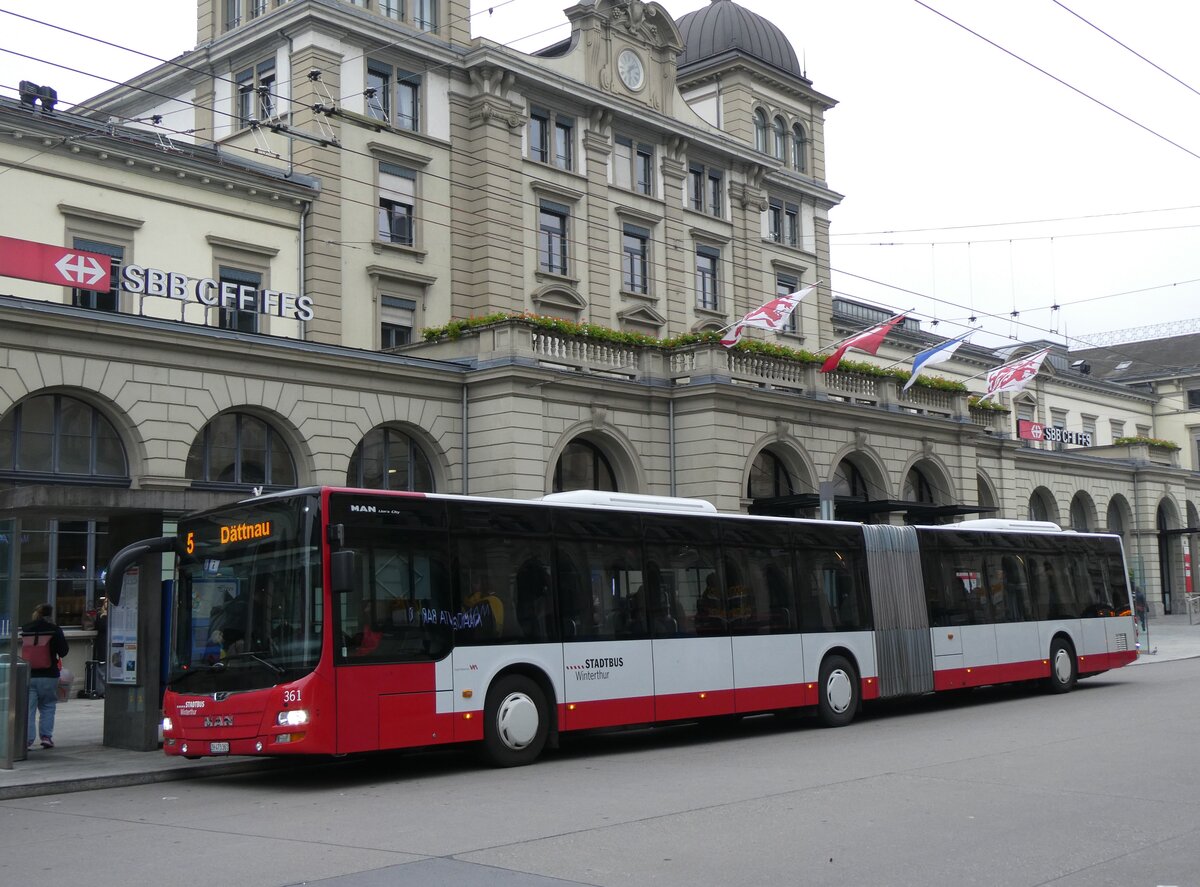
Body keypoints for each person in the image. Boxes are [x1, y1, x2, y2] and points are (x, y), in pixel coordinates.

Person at [20, 603, 70, 750]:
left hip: (30, 673)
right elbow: (63, 651)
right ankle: (46, 737)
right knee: (48, 705)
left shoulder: (26, 628)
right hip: (49, 674)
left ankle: (27, 740)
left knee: (29, 709)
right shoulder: (54, 630)